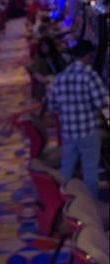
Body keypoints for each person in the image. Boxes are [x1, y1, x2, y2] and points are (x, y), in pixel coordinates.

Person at [46, 40, 109, 198]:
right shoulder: (90, 75)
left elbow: (52, 106)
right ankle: (91, 206)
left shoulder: (60, 78)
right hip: (88, 130)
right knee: (90, 170)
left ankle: (64, 200)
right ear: (87, 56)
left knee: (67, 167)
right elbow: (101, 101)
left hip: (68, 131)